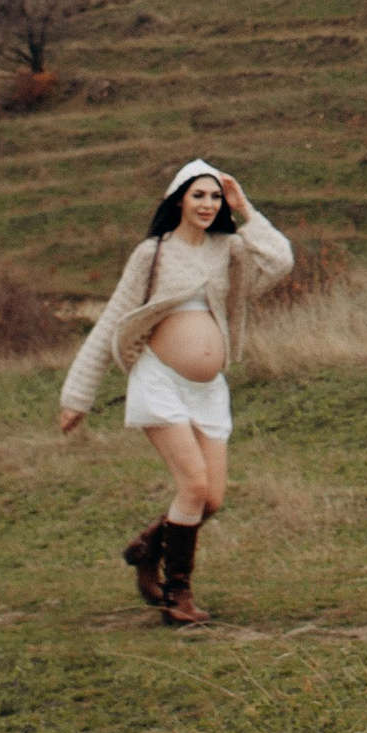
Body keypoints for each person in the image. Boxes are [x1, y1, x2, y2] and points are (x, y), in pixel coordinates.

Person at [56, 157, 293, 626]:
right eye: (198, 194)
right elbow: (111, 322)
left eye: (215, 195)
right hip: (159, 380)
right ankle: (176, 595)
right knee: (193, 486)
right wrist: (76, 396)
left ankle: (149, 548)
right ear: (178, 200)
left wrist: (245, 207)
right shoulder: (153, 254)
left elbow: (281, 261)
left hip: (208, 390)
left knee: (212, 500)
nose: (207, 204)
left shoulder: (230, 250)